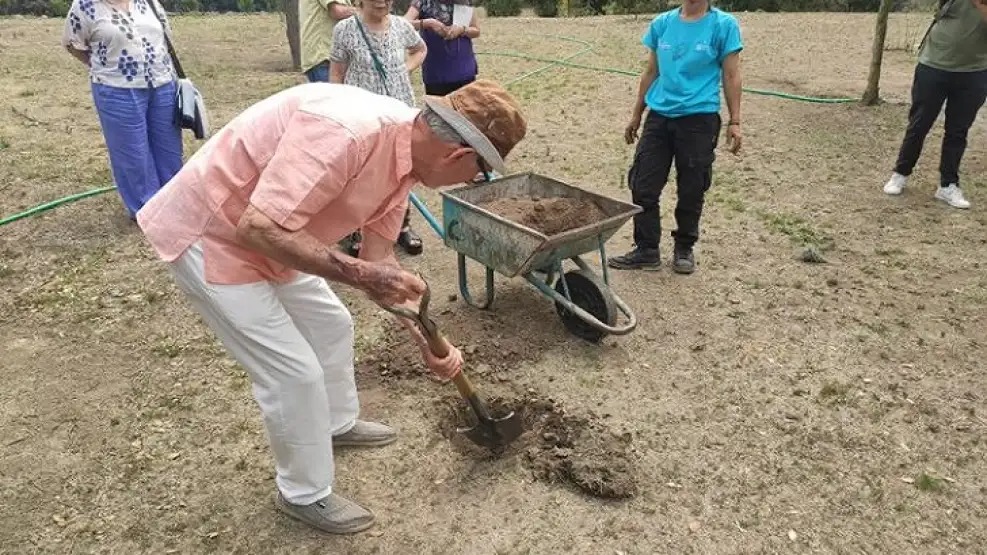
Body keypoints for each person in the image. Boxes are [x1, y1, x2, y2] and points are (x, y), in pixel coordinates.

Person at [134, 79, 526, 534]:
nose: (474, 181)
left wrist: (426, 337)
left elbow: (377, 261)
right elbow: (257, 227)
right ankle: (303, 493)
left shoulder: (406, 156)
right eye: (480, 172)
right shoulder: (347, 134)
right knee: (292, 374)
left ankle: (336, 424)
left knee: (332, 324)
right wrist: (359, 275)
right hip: (212, 233)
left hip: (278, 234)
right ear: (457, 155)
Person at [607, 0, 743, 274]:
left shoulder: (723, 26)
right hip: (659, 116)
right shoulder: (662, 24)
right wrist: (637, 114)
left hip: (699, 118)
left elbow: (731, 74)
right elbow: (651, 72)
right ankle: (647, 249)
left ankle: (684, 248)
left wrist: (735, 121)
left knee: (692, 186)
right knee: (643, 183)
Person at [61, 0, 183, 220]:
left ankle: (174, 203)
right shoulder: (84, 6)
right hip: (116, 88)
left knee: (169, 150)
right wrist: (103, 64)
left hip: (162, 84)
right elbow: (73, 43)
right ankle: (147, 212)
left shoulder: (147, 2)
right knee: (132, 154)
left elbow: (165, 36)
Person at [330, 0, 428, 256]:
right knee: (360, 174)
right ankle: (356, 230)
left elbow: (420, 49)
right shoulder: (345, 29)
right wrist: (337, 109)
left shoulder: (402, 26)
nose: (382, 1)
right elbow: (337, 72)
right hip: (361, 114)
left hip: (400, 111)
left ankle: (401, 228)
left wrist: (404, 69)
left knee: (401, 171)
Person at [882, 0, 987, 210]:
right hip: (933, 64)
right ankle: (900, 173)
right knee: (919, 123)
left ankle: (948, 185)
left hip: (974, 71)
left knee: (958, 131)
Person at [404, 0, 480, 96]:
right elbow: (404, 23)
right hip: (436, 72)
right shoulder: (423, 2)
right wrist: (427, 23)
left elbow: (476, 30)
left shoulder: (464, 1)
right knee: (439, 109)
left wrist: (462, 30)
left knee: (466, 109)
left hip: (464, 69)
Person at [299, 0, 357, 82]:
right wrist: (366, 12)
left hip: (332, 58)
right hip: (324, 57)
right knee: (332, 94)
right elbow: (337, 11)